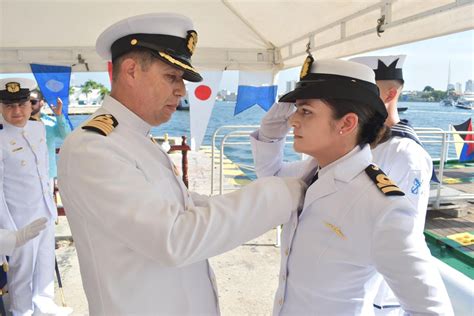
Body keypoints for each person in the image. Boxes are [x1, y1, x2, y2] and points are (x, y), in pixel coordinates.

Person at [57, 13, 306, 315]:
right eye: (171, 77)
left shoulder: (132, 138)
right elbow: (174, 239)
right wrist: (282, 193)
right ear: (131, 70)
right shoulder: (94, 147)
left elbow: (180, 205)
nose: (182, 91)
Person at [250, 57, 453, 314]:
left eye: (306, 111)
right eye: (297, 109)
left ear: (346, 123)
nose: (293, 121)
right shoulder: (311, 172)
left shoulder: (384, 206)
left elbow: (433, 309)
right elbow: (270, 177)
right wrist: (270, 133)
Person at [350, 55, 435, 314]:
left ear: (390, 93)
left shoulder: (406, 154)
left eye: (363, 91)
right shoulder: (360, 144)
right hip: (351, 282)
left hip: (381, 295)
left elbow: (403, 232)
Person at [0, 78, 72, 315]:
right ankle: (21, 311)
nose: (16, 111)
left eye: (22, 104)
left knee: (44, 262)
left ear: (31, 105)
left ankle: (44, 304)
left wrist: (50, 207)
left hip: (44, 208)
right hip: (19, 218)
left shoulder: (38, 128)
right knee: (22, 272)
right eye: (9, 105)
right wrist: (7, 230)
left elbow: (42, 172)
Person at [29, 89, 71, 194]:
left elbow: (66, 136)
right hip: (24, 173)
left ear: (42, 102)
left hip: (47, 173)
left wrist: (59, 116)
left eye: (33, 101)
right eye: (26, 101)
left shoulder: (50, 123)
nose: (29, 104)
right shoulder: (18, 123)